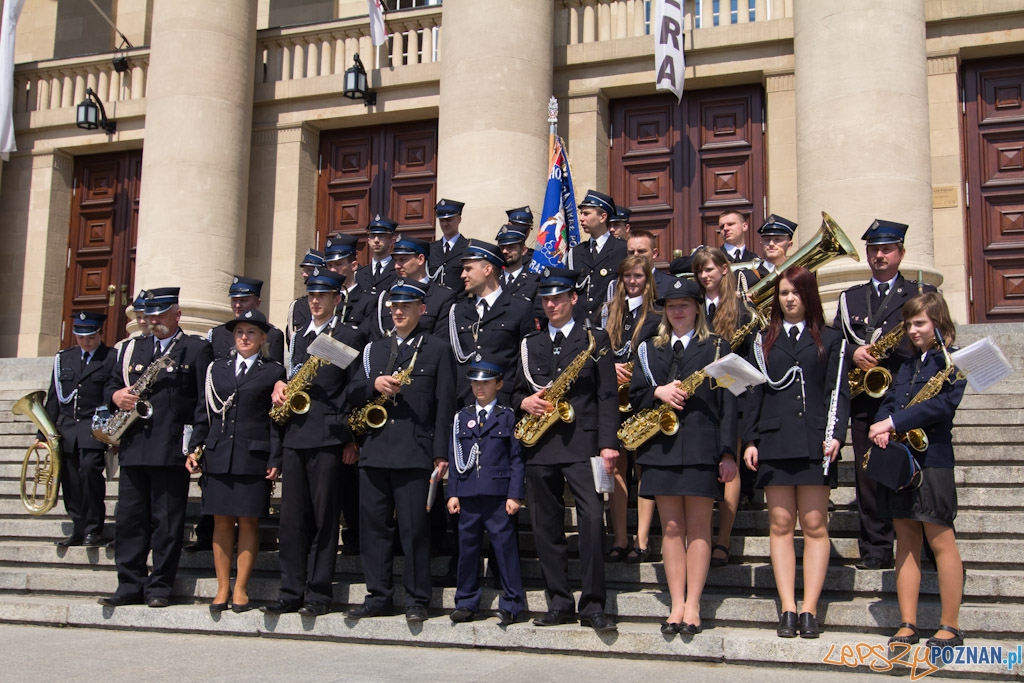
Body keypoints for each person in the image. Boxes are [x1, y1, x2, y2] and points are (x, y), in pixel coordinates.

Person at [742, 266, 849, 638]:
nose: (789, 299)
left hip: (814, 440)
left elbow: (838, 391)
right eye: (784, 293)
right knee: (781, 525)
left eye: (796, 292)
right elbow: (753, 392)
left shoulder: (832, 339)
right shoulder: (762, 341)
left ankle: (809, 609)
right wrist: (750, 439)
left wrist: (836, 434)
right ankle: (788, 607)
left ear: (809, 297)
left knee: (816, 525)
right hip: (774, 440)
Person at [628, 277, 738, 634]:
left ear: (697, 309)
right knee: (672, 528)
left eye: (684, 305)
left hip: (701, 448)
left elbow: (730, 403)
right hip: (660, 447)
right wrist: (657, 392)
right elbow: (634, 396)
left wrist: (727, 451)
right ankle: (676, 604)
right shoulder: (647, 348)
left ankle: (694, 605)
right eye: (671, 306)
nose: (677, 311)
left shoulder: (720, 347)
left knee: (699, 527)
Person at [345, 281, 457, 623]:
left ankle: (416, 598)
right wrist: (372, 385)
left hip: (415, 453)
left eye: (405, 306)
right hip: (376, 452)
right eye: (394, 306)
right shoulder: (373, 350)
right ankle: (378, 595)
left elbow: (444, 406)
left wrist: (441, 455)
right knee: (374, 529)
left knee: (414, 530)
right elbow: (349, 392)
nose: (398, 311)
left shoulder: (437, 349)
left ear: (421, 310)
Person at [514, 267, 618, 633]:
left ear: (573, 298)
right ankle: (558, 602)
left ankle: (593, 604)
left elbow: (607, 394)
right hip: (541, 445)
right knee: (545, 526)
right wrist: (523, 402)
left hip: (583, 443)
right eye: (546, 299)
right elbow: (513, 390)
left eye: (558, 298)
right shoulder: (530, 344)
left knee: (591, 521)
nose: (552, 304)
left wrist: (608, 444)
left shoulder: (596, 338)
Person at [99, 288, 213, 608]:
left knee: (167, 522)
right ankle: (129, 583)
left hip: (171, 446)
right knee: (130, 520)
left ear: (177, 315)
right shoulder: (131, 348)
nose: (154, 320)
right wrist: (116, 396)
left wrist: (196, 444)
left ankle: (160, 585)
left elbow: (202, 402)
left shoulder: (194, 348)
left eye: (161, 314)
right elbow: (109, 385)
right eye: (149, 314)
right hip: (134, 445)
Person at [262, 269, 365, 616]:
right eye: (311, 296)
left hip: (328, 437)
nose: (316, 301)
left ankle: (318, 594)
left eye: (323, 296)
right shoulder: (297, 338)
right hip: (295, 435)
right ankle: (290, 591)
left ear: (337, 299)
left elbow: (354, 391)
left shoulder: (347, 335)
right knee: (292, 520)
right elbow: (290, 377)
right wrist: (279, 386)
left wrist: (351, 438)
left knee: (324, 520)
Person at [835, 220, 936, 571]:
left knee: (913, 471)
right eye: (874, 250)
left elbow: (935, 340)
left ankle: (923, 548)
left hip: (907, 395)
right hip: (865, 397)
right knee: (869, 474)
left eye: (887, 249)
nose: (879, 255)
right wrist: (853, 353)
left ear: (901, 253)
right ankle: (876, 549)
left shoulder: (919, 296)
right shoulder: (850, 297)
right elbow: (836, 341)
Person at [868, 292, 967, 650]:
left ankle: (950, 625)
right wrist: (880, 425)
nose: (912, 330)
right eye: (909, 323)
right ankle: (907, 623)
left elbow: (942, 406)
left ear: (939, 324)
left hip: (934, 460)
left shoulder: (952, 363)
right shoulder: (907, 366)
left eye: (919, 323)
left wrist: (893, 421)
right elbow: (891, 400)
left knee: (940, 541)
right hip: (901, 461)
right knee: (905, 538)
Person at [187, 309, 285, 613]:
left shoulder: (273, 372)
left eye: (251, 332)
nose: (245, 337)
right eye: (240, 332)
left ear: (263, 338)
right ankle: (221, 588)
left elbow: (275, 420)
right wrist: (195, 446)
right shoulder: (217, 369)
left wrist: (275, 455)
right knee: (220, 521)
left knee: (248, 521)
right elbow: (205, 411)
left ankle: (241, 588)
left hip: (252, 456)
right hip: (219, 453)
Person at [447, 358, 526, 626]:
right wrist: (453, 493)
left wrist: (515, 495)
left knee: (504, 549)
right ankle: (466, 602)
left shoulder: (507, 416)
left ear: (499, 384)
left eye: (486, 383)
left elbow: (516, 459)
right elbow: (455, 456)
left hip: (497, 494)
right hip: (469, 494)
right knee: (467, 550)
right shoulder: (462, 417)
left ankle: (512, 603)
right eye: (475, 382)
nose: (479, 388)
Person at [690, 246, 755, 567]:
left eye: (710, 269)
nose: (705, 276)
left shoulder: (742, 310)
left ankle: (724, 539)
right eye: (700, 271)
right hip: (699, 399)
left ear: (725, 270)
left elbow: (749, 361)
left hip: (732, 395)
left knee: (729, 465)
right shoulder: (692, 307)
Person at [602, 255, 661, 564]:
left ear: (647, 279)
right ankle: (620, 538)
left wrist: (634, 370)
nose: (633, 281)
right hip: (615, 400)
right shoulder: (612, 313)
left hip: (641, 399)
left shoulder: (656, 315)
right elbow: (599, 352)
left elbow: (660, 357)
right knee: (617, 470)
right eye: (627, 276)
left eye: (638, 276)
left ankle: (642, 539)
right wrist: (611, 367)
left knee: (643, 467)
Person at [39, 311, 115, 547]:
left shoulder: (111, 357)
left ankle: (94, 528)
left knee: (89, 472)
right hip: (67, 429)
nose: (85, 341)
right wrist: (44, 432)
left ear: (100, 333)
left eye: (90, 337)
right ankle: (78, 527)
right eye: (81, 337)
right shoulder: (64, 358)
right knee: (70, 480)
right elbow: (54, 398)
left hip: (93, 428)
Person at [447, 240, 535, 407]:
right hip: (464, 403)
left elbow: (526, 361)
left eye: (468, 269)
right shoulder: (457, 311)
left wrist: (519, 399)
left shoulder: (520, 308)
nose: (462, 275)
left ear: (487, 270)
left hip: (504, 405)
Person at [363, 236, 455, 341]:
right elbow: (375, 335)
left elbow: (441, 341)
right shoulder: (386, 295)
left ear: (420, 259)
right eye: (395, 260)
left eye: (402, 260)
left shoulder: (442, 296)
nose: (397, 266)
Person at [569, 190, 627, 323]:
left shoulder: (622, 249)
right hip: (581, 330)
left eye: (586, 214)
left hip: (610, 327)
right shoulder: (576, 253)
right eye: (581, 214)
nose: (581, 218)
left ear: (603, 217)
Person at [207, 276, 285, 364]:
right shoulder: (217, 333)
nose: (237, 305)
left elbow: (275, 372)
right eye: (234, 300)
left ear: (257, 303)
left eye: (243, 300)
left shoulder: (272, 335)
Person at [670, 209, 759, 275]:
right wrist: (709, 260)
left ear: (744, 226)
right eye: (722, 227)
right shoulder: (712, 254)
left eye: (731, 224)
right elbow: (675, 266)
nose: (725, 229)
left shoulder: (755, 259)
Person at [354, 215, 399, 313]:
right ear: (369, 241)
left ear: (391, 241)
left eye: (381, 236)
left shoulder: (398, 271)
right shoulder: (360, 274)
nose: (376, 240)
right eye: (372, 236)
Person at [324, 233, 367, 326]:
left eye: (338, 264)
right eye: (329, 265)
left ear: (354, 266)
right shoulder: (323, 298)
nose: (332, 270)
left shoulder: (368, 300)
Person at [285, 249, 326, 344]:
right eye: (304, 270)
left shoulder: (333, 302)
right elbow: (291, 341)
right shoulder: (297, 305)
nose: (304, 274)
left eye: (309, 270)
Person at [428, 198, 468, 292]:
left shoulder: (468, 247)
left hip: (459, 302)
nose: (444, 224)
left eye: (449, 220)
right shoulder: (431, 248)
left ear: (459, 219)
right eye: (441, 221)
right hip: (435, 303)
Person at [496, 224, 540, 306]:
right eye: (502, 247)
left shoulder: (535, 281)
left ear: (523, 250)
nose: (505, 251)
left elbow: (540, 314)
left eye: (510, 247)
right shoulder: (492, 280)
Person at [625, 229, 676, 294]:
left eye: (641, 251)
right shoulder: (618, 285)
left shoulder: (670, 284)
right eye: (631, 252)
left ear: (654, 253)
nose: (635, 255)